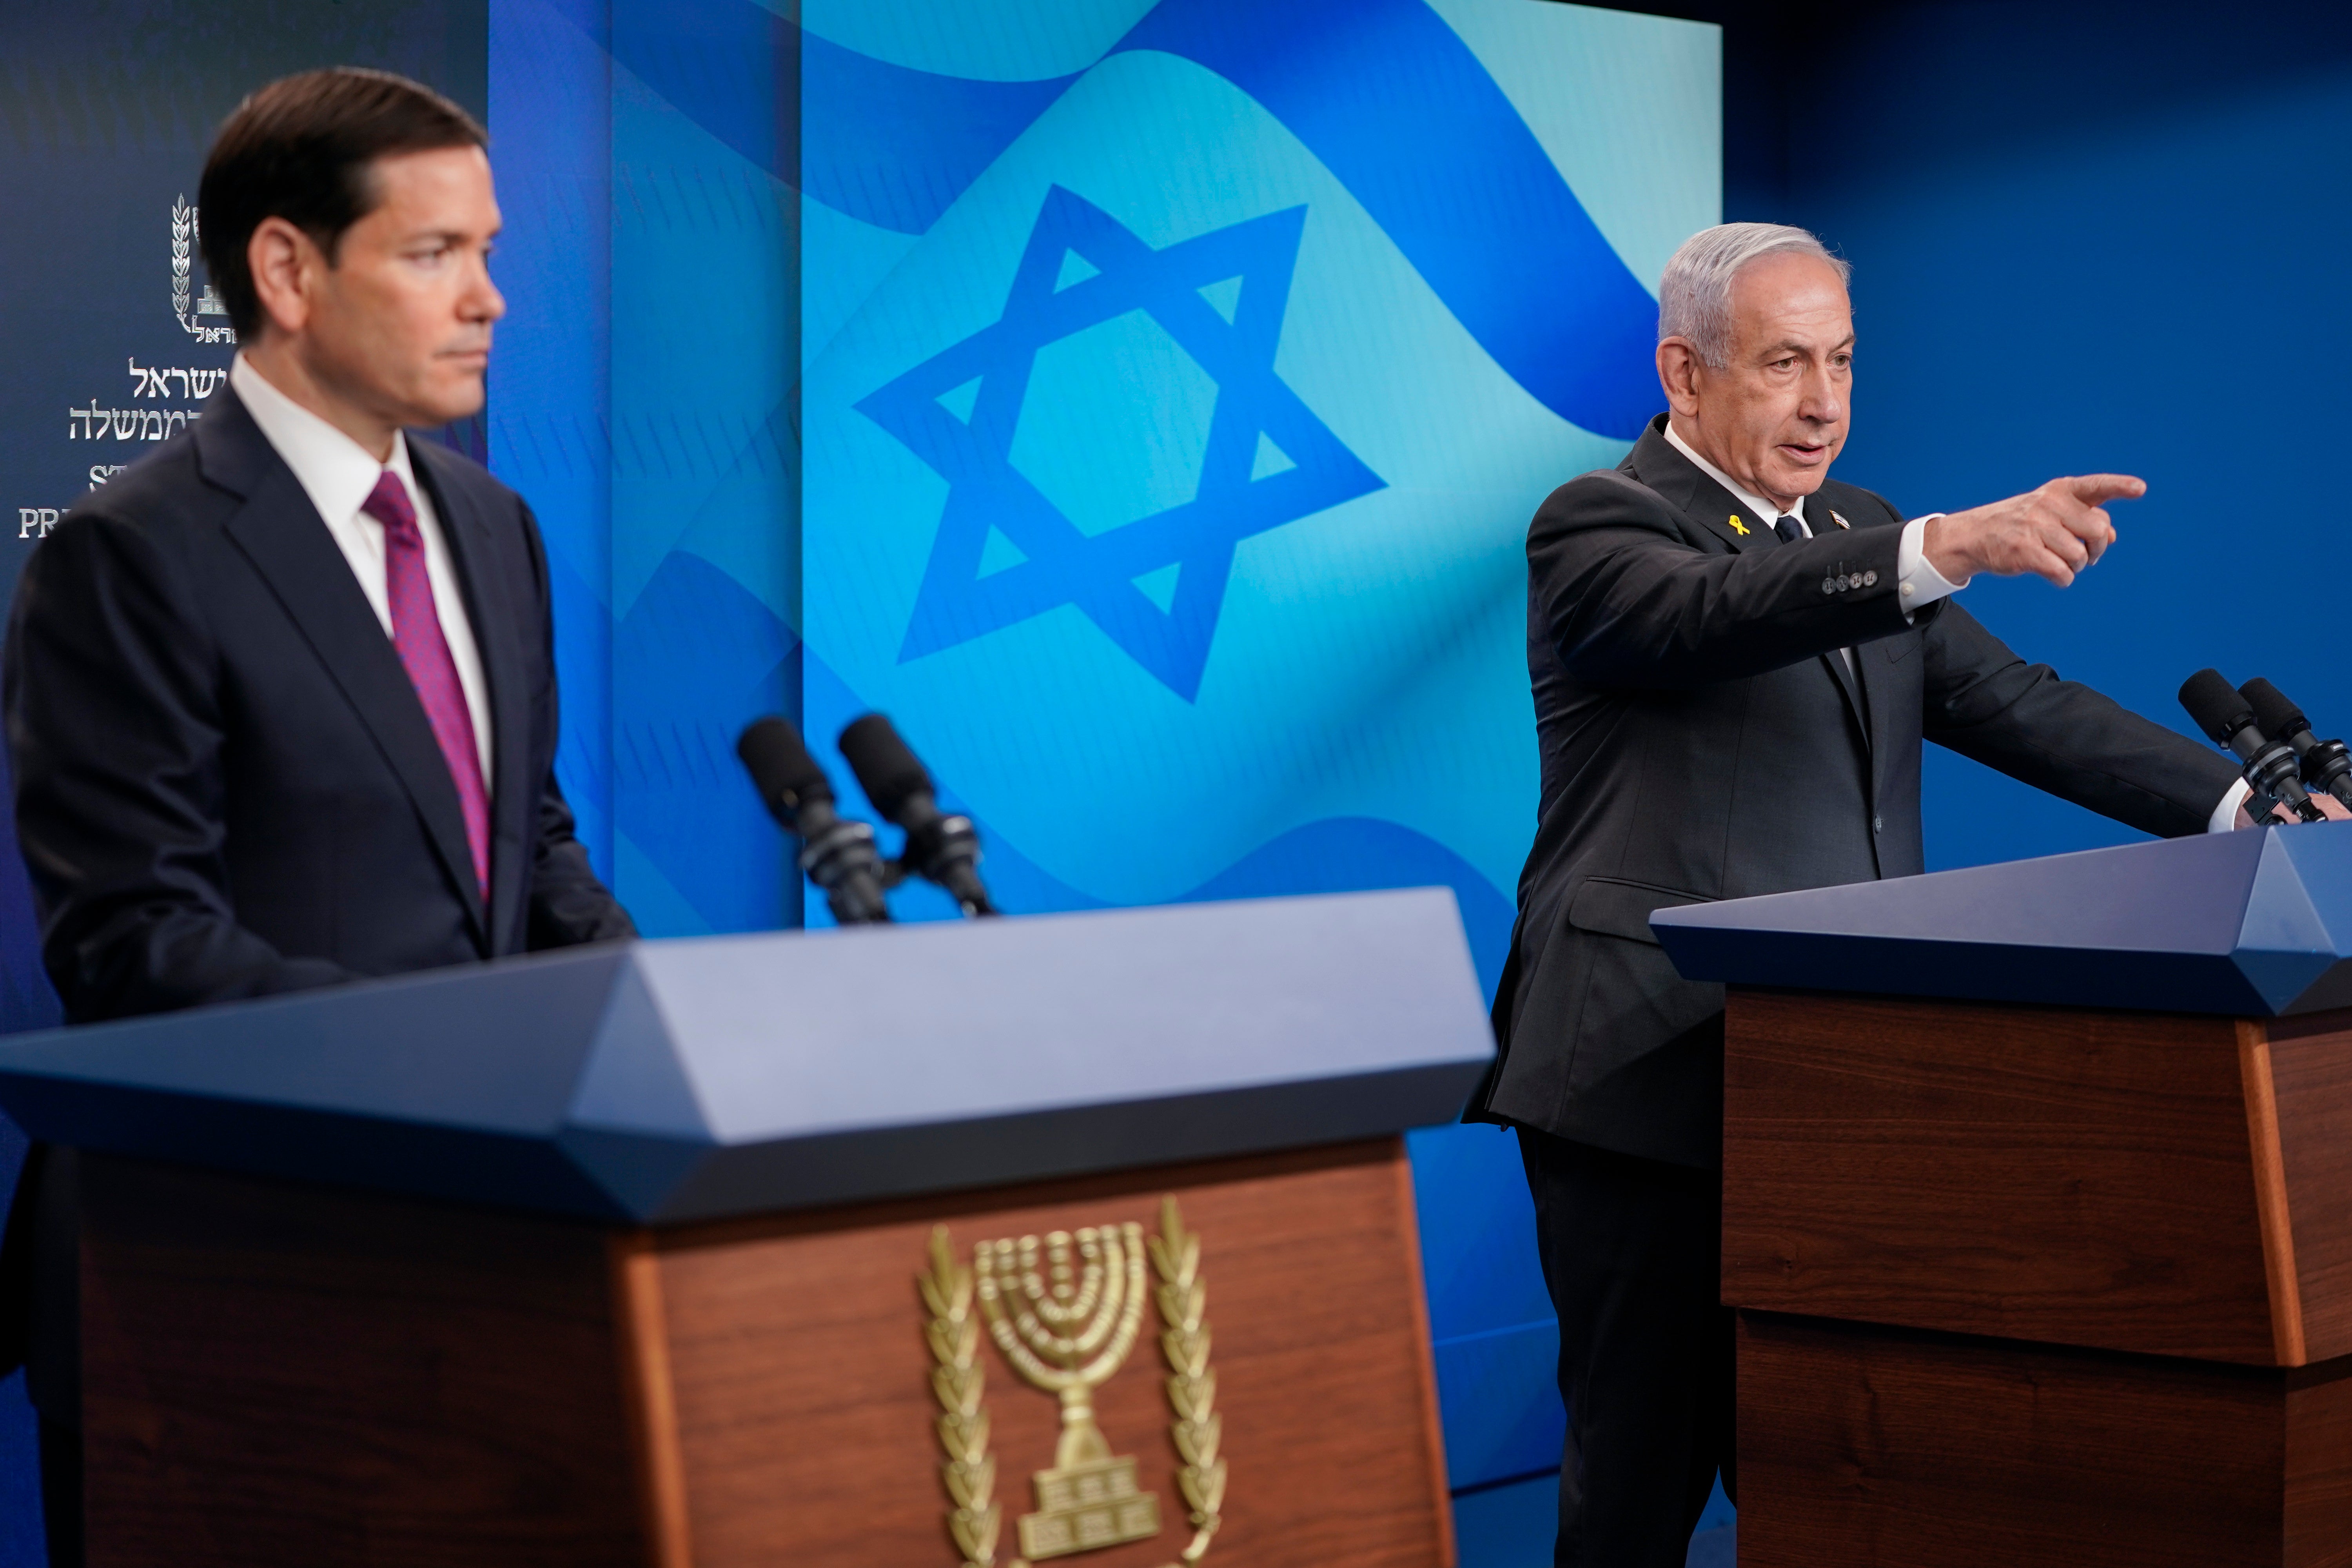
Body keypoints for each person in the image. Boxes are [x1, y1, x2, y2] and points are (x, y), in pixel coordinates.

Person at [1470, 221, 2341, 1568]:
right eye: (1783, 365)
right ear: (1685, 374)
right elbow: (1718, 615)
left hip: (1844, 1085)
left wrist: (2250, 814)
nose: (1824, 402)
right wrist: (1942, 543)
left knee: (1839, 1467)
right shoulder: (1599, 526)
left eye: (1843, 361)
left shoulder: (1861, 531)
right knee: (1637, 1485)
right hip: (1641, 1080)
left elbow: (2013, 706)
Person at [0, 68, 635, 1564]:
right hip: (219, 1279)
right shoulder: (126, 556)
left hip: (480, 1269)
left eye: (490, 252)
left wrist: (657, 1020)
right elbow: (137, 947)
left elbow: (523, 850)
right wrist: (461, 1074)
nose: (489, 299)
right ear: (287, 270)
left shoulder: (494, 525)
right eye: (435, 255)